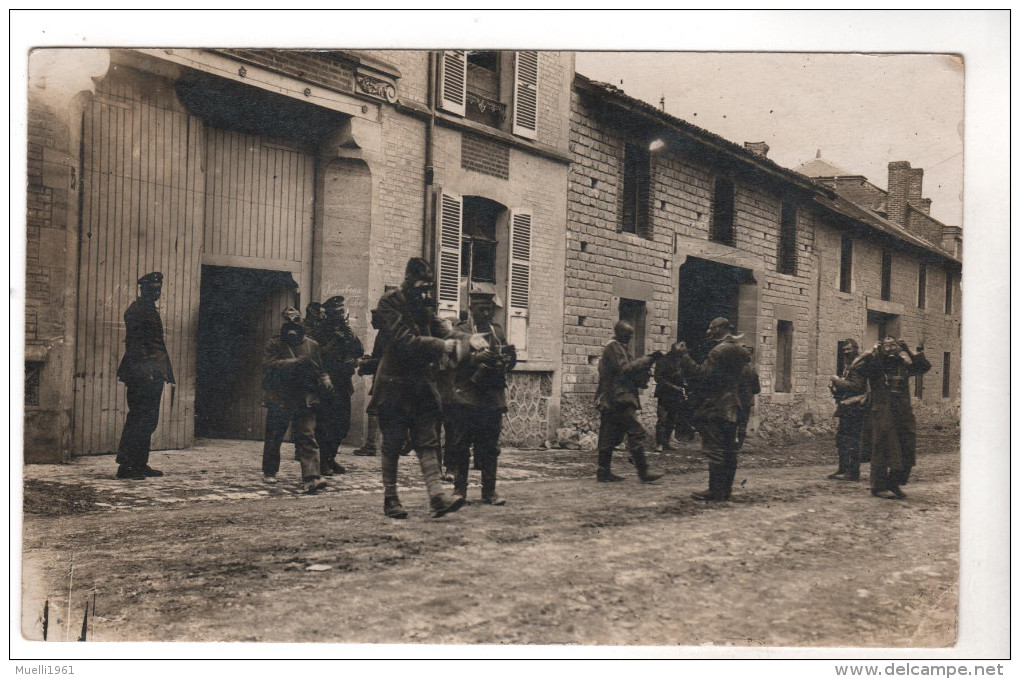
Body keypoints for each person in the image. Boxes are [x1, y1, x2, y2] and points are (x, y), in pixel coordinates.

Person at [369, 257, 479, 519]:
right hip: (394, 384)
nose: (424, 292)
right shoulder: (389, 303)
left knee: (428, 442)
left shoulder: (423, 305)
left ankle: (437, 498)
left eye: (428, 286)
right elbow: (402, 340)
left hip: (421, 385)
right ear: (407, 280)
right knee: (393, 443)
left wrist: (469, 339)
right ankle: (391, 498)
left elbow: (445, 330)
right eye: (420, 285)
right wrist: (441, 346)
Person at [446, 293, 517, 504]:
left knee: (490, 447)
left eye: (489, 309)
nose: (486, 313)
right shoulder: (460, 331)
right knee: (461, 445)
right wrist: (475, 358)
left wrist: (507, 360)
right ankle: (459, 491)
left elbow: (506, 361)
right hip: (467, 396)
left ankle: (490, 492)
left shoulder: (497, 331)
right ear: (471, 309)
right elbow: (450, 361)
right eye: (481, 309)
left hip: (492, 398)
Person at [676, 317, 751, 502]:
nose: (709, 332)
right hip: (733, 406)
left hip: (716, 406)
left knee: (715, 449)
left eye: (711, 328)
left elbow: (701, 375)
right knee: (729, 450)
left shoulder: (718, 351)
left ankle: (714, 490)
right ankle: (726, 490)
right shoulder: (741, 350)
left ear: (719, 329)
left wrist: (683, 356)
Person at [851, 337, 931, 499]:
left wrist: (908, 350)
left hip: (902, 413)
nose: (890, 348)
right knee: (881, 448)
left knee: (906, 447)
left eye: (893, 345)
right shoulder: (875, 365)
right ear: (881, 348)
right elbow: (856, 367)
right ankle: (878, 487)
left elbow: (924, 367)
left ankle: (893, 483)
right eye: (886, 345)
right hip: (882, 413)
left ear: (898, 347)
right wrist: (871, 353)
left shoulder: (903, 364)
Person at [115, 272, 175, 480]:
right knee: (138, 419)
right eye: (152, 289)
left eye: (158, 289)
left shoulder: (148, 310)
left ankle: (140, 463)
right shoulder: (137, 311)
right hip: (143, 375)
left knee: (148, 420)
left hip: (152, 373)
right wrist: (147, 372)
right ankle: (126, 466)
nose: (156, 293)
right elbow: (136, 346)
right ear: (143, 289)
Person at [261, 320, 331, 493]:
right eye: (288, 328)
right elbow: (268, 365)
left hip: (304, 397)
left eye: (296, 329)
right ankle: (270, 471)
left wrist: (325, 379)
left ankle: (312, 477)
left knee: (307, 436)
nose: (292, 333)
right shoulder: (274, 344)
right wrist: (293, 363)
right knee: (274, 436)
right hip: (281, 397)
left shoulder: (312, 345)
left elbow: (320, 368)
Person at [594, 321, 665, 483]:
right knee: (636, 432)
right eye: (627, 335)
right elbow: (625, 369)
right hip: (619, 398)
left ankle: (603, 471)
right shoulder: (613, 347)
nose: (630, 338)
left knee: (609, 435)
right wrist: (648, 359)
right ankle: (643, 472)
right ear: (619, 333)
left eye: (631, 335)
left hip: (614, 398)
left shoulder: (619, 348)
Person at [309, 295, 363, 476]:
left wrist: (353, 358)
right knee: (325, 424)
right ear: (330, 313)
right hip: (327, 382)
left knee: (342, 425)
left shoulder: (346, 329)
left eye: (343, 310)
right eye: (338, 311)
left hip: (343, 382)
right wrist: (334, 341)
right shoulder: (320, 329)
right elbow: (316, 354)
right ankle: (323, 462)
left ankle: (330, 458)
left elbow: (359, 351)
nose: (342, 314)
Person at [827, 339, 867, 481]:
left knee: (852, 440)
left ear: (856, 349)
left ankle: (852, 472)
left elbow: (856, 386)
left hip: (855, 408)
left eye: (849, 349)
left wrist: (837, 380)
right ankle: (842, 469)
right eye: (844, 350)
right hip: (846, 407)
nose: (846, 352)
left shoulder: (858, 365)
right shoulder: (849, 365)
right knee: (842, 439)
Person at [653, 342, 691, 452]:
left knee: (672, 419)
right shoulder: (662, 361)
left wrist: (684, 383)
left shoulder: (679, 361)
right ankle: (659, 444)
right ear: (673, 352)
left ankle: (666, 442)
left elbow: (681, 374)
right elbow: (658, 378)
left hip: (676, 395)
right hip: (664, 394)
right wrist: (673, 387)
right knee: (662, 419)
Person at [735, 346, 761, 450]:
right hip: (747, 401)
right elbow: (757, 389)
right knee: (743, 423)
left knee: (733, 422)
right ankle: (738, 447)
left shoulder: (735, 369)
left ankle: (730, 445)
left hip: (735, 400)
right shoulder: (753, 370)